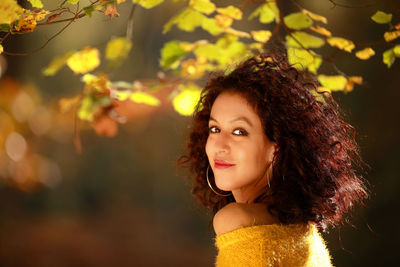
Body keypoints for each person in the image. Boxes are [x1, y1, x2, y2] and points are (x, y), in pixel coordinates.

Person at [178, 51, 369, 266]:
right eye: (215, 129)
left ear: (277, 147)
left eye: (239, 132)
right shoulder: (305, 232)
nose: (218, 145)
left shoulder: (237, 221)